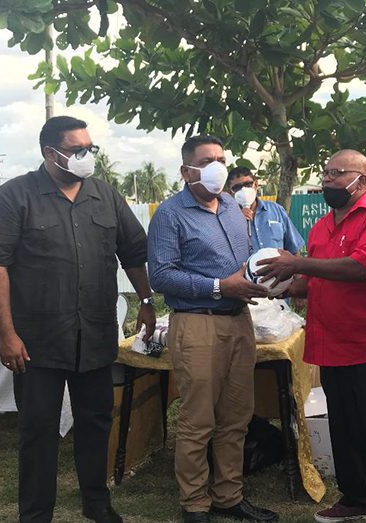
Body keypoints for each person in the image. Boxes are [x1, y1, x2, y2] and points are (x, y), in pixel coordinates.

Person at [0, 116, 154, 523]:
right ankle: (36, 514)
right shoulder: (14, 197)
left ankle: (97, 503)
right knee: (38, 431)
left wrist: (146, 300)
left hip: (93, 335)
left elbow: (132, 252)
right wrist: (6, 333)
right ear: (50, 153)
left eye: (89, 148)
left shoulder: (105, 196)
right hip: (37, 342)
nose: (85, 156)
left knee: (94, 423)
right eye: (77, 150)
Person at [257, 150, 366, 523]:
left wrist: (297, 263)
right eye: (326, 173)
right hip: (330, 343)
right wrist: (277, 286)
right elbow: (313, 281)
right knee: (344, 428)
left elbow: (361, 268)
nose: (328, 180)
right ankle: (358, 498)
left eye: (337, 173)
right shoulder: (321, 227)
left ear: (361, 180)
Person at [147, 135, 277, 523]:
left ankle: (229, 496)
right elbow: (162, 276)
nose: (217, 166)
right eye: (207, 160)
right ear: (187, 171)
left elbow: (242, 264)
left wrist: (255, 281)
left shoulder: (234, 211)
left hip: (239, 321)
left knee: (236, 417)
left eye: (221, 157)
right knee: (198, 420)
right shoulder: (170, 215)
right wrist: (221, 286)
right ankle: (195, 505)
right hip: (198, 323)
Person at [227, 166, 304, 253]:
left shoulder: (276, 210)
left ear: (255, 185)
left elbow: (294, 250)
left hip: (278, 267)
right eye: (237, 187)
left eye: (248, 184)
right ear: (231, 192)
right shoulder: (227, 219)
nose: (244, 190)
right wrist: (237, 221)